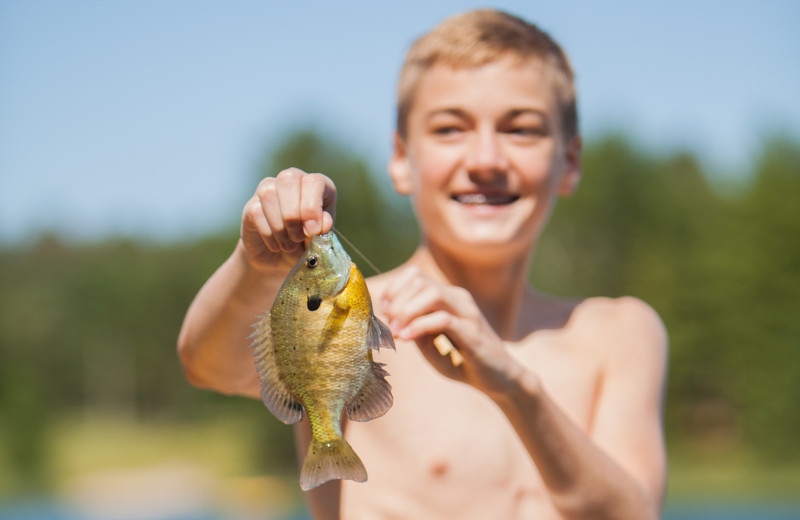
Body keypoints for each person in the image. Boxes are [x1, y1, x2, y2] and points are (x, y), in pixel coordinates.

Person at [177, 8, 668, 520]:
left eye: (520, 129)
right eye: (450, 128)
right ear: (399, 158)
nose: (485, 159)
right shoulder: (343, 317)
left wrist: (513, 386)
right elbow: (208, 365)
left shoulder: (619, 331)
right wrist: (254, 267)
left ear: (569, 161)